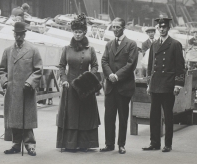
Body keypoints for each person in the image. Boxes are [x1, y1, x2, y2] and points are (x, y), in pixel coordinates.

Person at [56, 14, 101, 152]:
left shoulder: (90, 49)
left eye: (80, 32)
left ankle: (84, 143)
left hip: (85, 87)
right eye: (75, 32)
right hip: (70, 87)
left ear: (84, 33)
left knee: (86, 115)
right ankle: (70, 143)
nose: (77, 34)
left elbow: (95, 66)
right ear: (72, 32)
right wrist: (64, 80)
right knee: (72, 115)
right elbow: (61, 67)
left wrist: (88, 79)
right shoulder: (66, 49)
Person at [0, 22, 43, 156]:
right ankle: (16, 144)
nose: (19, 36)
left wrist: (30, 82)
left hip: (26, 91)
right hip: (13, 91)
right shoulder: (7, 51)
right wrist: (5, 82)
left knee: (27, 119)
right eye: (16, 34)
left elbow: (38, 70)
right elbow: (1, 70)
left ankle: (30, 145)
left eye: (21, 34)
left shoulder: (33, 50)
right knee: (15, 118)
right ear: (14, 34)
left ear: (24, 34)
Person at [143, 17, 185, 153]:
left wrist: (178, 84)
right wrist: (149, 83)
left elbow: (180, 67)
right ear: (157, 29)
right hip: (155, 85)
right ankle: (154, 142)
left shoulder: (175, 44)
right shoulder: (154, 44)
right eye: (159, 27)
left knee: (168, 116)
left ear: (168, 28)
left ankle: (168, 144)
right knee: (154, 116)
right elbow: (150, 66)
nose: (161, 29)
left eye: (164, 27)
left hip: (168, 85)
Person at [100, 18, 138, 154]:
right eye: (113, 27)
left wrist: (117, 75)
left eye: (117, 27)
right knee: (109, 117)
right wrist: (110, 74)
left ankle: (121, 144)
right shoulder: (109, 44)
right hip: (110, 87)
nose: (115, 29)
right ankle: (109, 144)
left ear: (123, 28)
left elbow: (131, 63)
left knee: (123, 117)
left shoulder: (131, 44)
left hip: (124, 87)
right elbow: (104, 60)